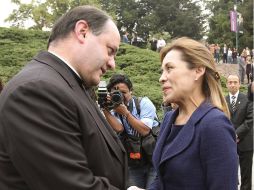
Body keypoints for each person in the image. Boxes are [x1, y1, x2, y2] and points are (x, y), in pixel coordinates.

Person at [0, 6, 127, 190]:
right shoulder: (38, 91)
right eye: (110, 50)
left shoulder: (67, 84)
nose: (112, 64)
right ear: (82, 32)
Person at [149, 37, 238, 190]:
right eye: (161, 71)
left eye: (169, 68)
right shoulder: (169, 118)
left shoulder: (215, 125)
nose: (161, 78)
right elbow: (163, 178)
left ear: (198, 70)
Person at [102, 74, 159, 189]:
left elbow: (144, 130)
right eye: (116, 93)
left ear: (131, 91)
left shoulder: (144, 103)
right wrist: (105, 109)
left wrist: (126, 113)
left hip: (153, 160)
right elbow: (119, 128)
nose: (120, 96)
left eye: (124, 92)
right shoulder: (114, 108)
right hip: (134, 162)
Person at [225, 74, 253, 190]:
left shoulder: (248, 99)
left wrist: (237, 134)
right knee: (229, 173)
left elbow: (250, 119)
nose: (232, 85)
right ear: (227, 84)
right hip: (227, 142)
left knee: (246, 175)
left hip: (245, 141)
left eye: (235, 82)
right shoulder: (222, 100)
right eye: (230, 82)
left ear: (239, 84)